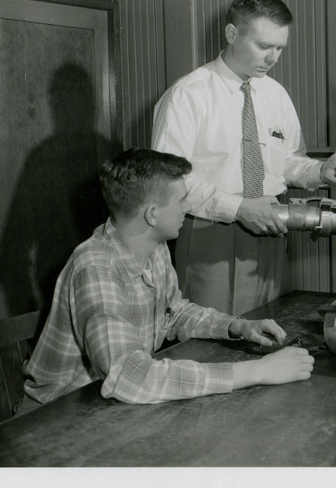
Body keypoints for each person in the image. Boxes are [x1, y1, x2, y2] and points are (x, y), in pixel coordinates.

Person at [21, 148, 314, 409]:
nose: (188, 206)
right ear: (152, 214)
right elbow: (129, 376)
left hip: (105, 406)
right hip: (55, 417)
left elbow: (174, 314)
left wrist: (237, 326)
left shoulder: (154, 246)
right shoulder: (96, 267)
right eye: (182, 199)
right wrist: (257, 372)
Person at [152, 0, 336, 315]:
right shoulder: (187, 95)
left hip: (271, 230)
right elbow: (168, 181)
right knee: (210, 342)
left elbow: (287, 161)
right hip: (211, 231)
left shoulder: (276, 94)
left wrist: (320, 172)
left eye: (279, 48)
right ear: (232, 34)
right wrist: (239, 208)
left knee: (265, 328)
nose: (273, 58)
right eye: (264, 46)